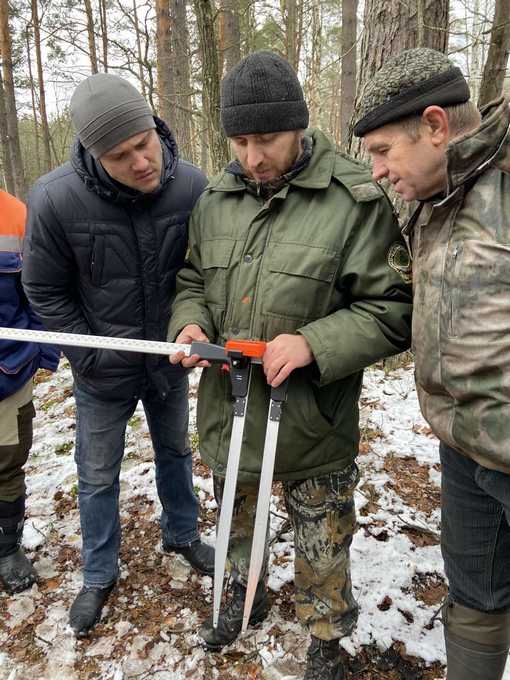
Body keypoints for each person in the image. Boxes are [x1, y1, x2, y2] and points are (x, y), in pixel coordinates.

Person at [168, 50, 412, 680]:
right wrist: (189, 323)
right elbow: (193, 277)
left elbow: (392, 308)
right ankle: (239, 597)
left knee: (322, 540)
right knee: (232, 519)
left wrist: (313, 343)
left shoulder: (355, 198)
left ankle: (326, 637)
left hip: (314, 420)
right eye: (240, 140)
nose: (253, 157)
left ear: (299, 127)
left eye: (268, 139)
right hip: (232, 411)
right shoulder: (215, 198)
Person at [22, 73, 214, 637]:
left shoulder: (193, 187)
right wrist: (90, 353)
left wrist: (190, 326)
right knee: (98, 473)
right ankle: (99, 571)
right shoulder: (55, 199)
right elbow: (45, 291)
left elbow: (200, 273)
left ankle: (182, 534)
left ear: (155, 126)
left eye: (144, 143)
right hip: (101, 368)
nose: (140, 162)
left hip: (169, 360)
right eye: (119, 155)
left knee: (177, 451)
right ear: (92, 153)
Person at [354, 47, 510, 680]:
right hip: (462, 449)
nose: (377, 172)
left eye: (383, 151)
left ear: (437, 126)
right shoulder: (434, 198)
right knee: (477, 599)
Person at [0, 188, 60, 594]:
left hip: (7, 371)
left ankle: (6, 548)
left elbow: (40, 293)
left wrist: (40, 350)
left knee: (6, 462)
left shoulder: (15, 215)